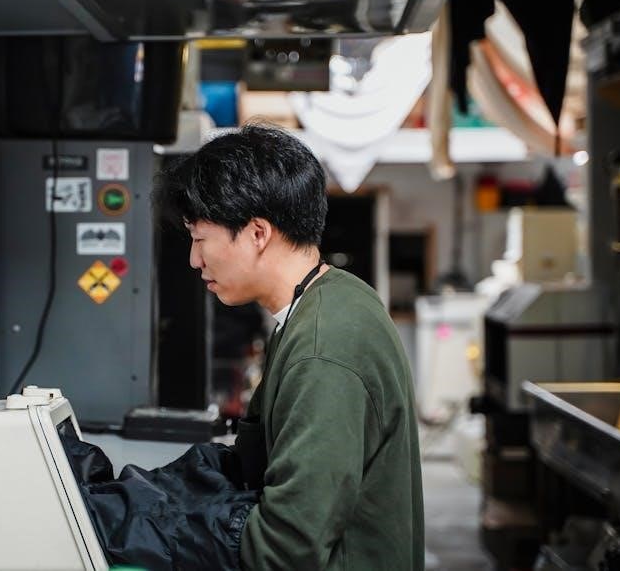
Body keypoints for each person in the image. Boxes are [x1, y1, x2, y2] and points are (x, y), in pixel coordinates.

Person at [154, 124, 424, 570]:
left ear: (257, 233)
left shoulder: (324, 349)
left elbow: (288, 548)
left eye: (200, 240)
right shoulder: (332, 299)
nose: (194, 260)